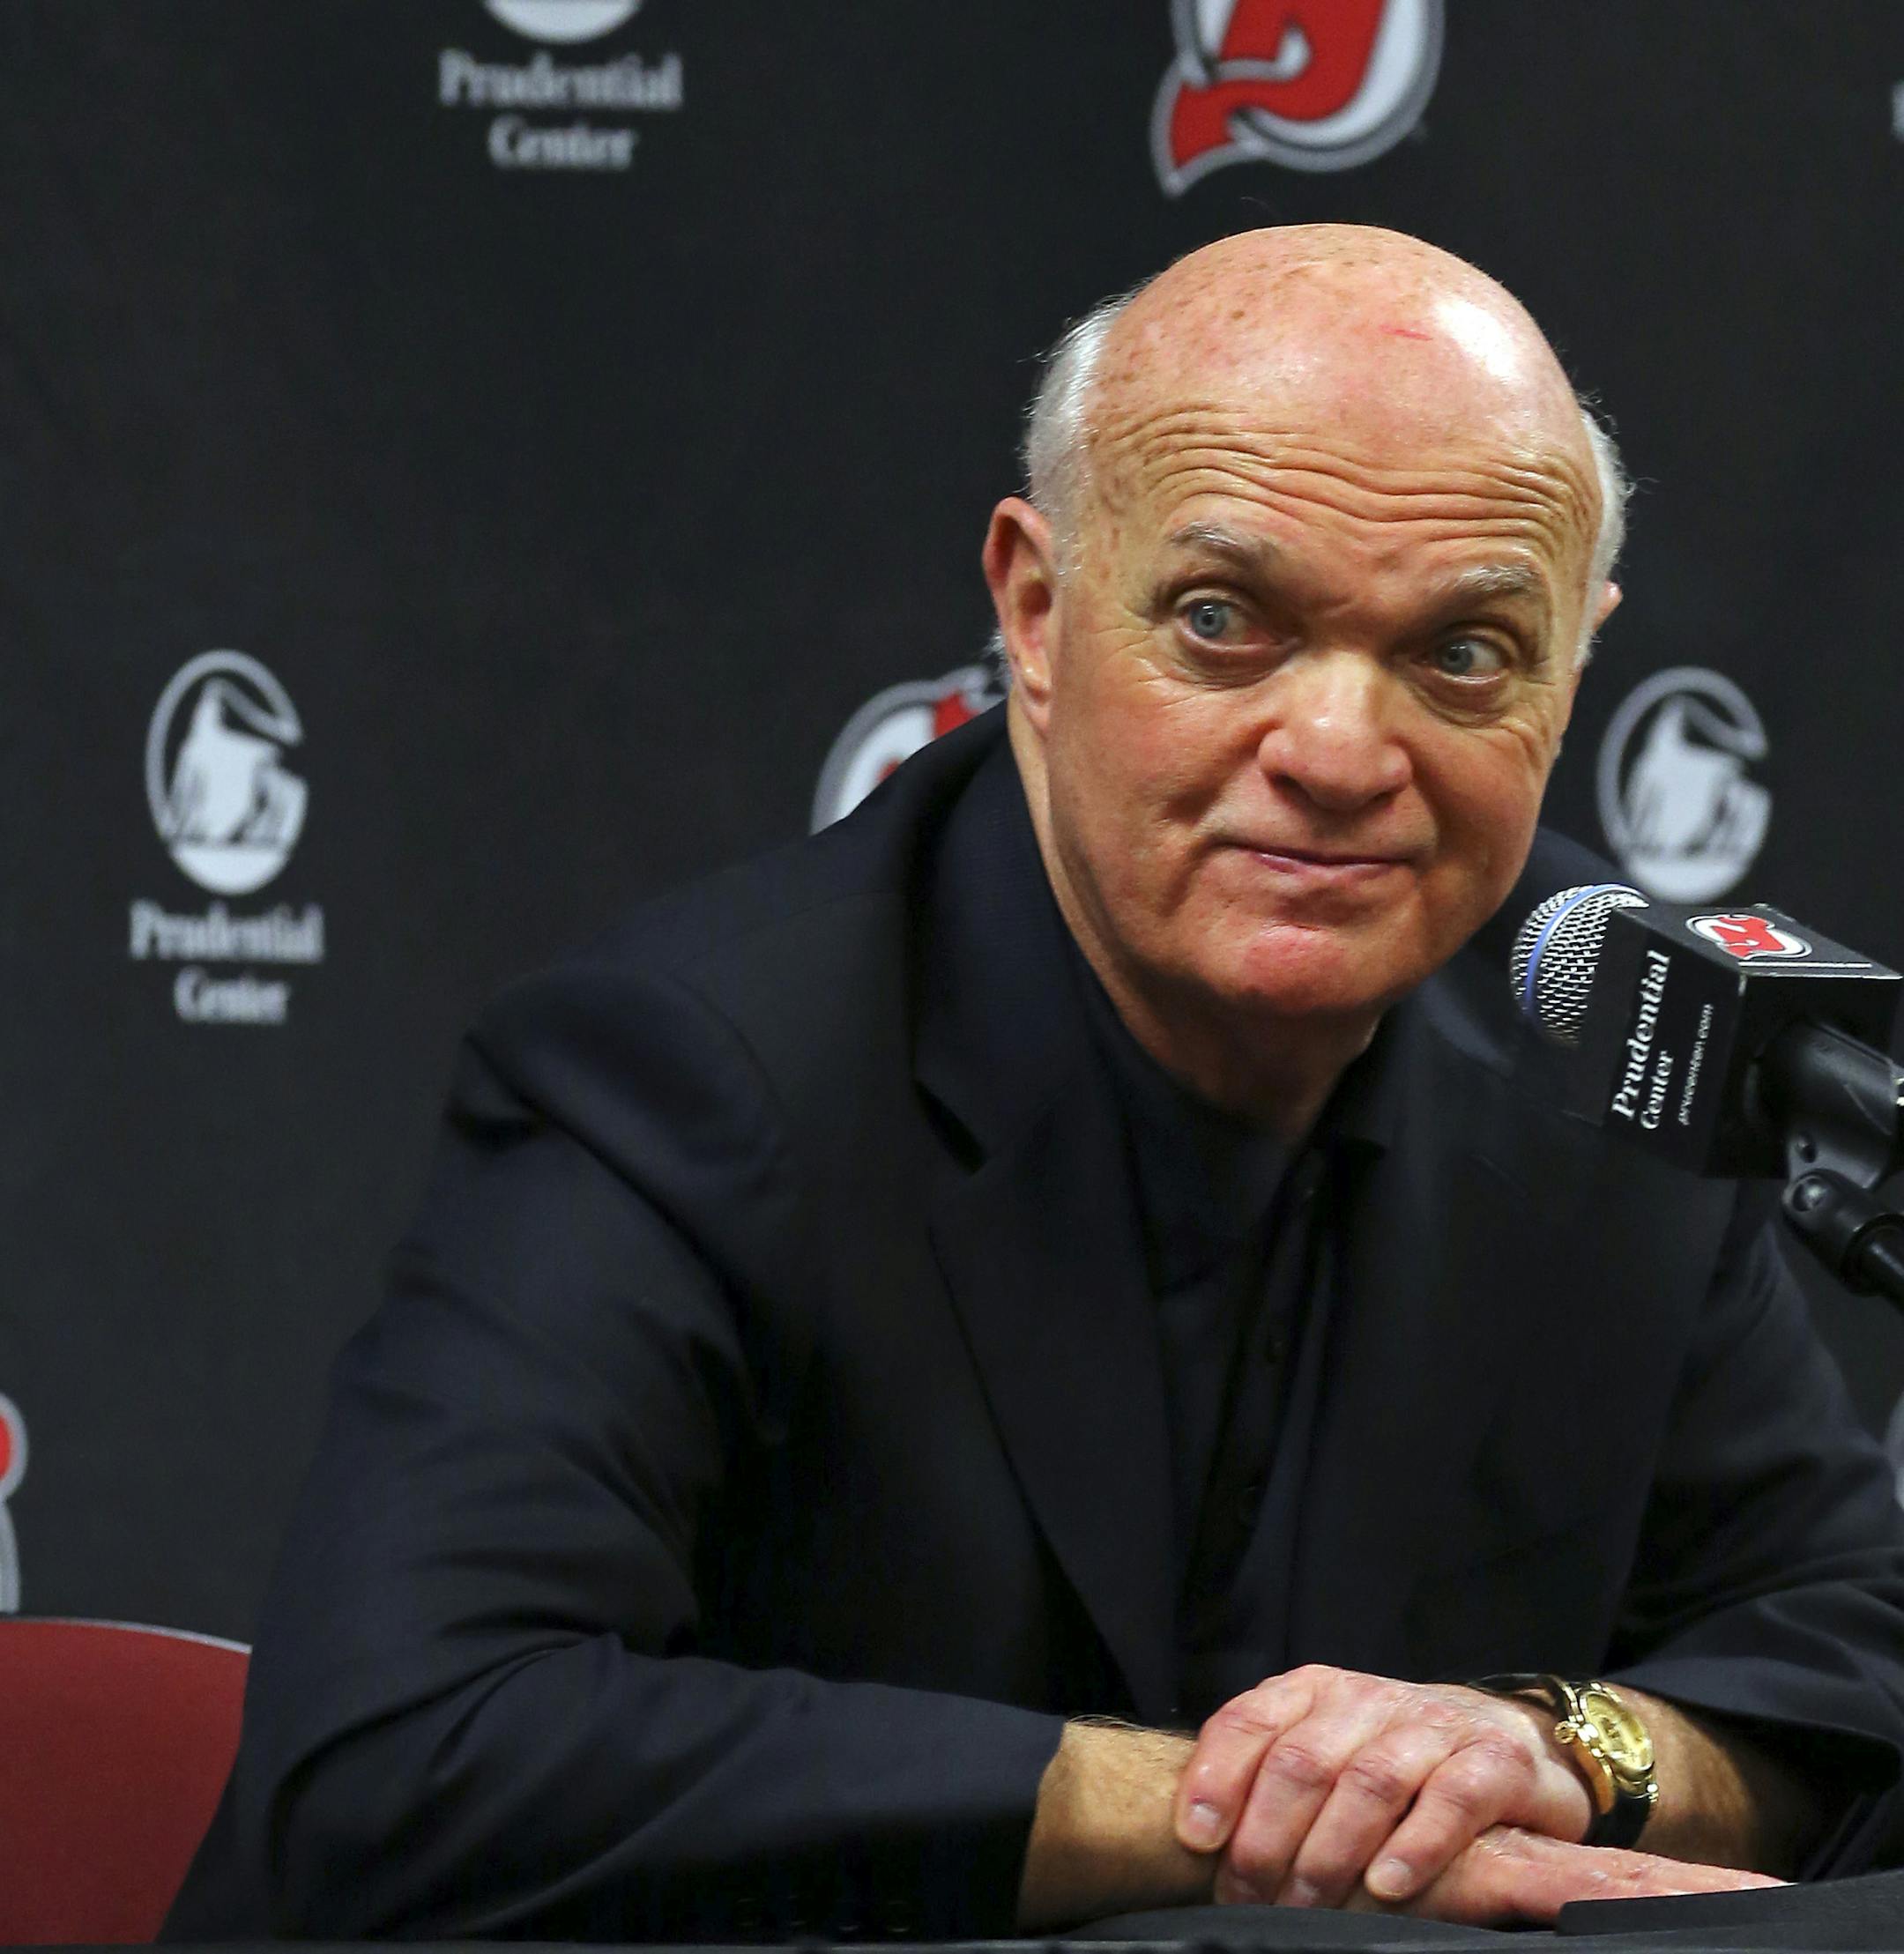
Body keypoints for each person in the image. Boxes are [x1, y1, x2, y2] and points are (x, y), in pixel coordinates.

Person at [167, 227, 1904, 1943]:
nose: (1342, 751)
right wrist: (1242, 1817)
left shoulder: (1610, 1047)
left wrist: (1557, 1744)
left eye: (1462, 653)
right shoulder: (700, 1068)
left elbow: (1853, 1650)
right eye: (1224, 620)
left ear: (1573, 664)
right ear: (1038, 611)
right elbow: (406, 1755)